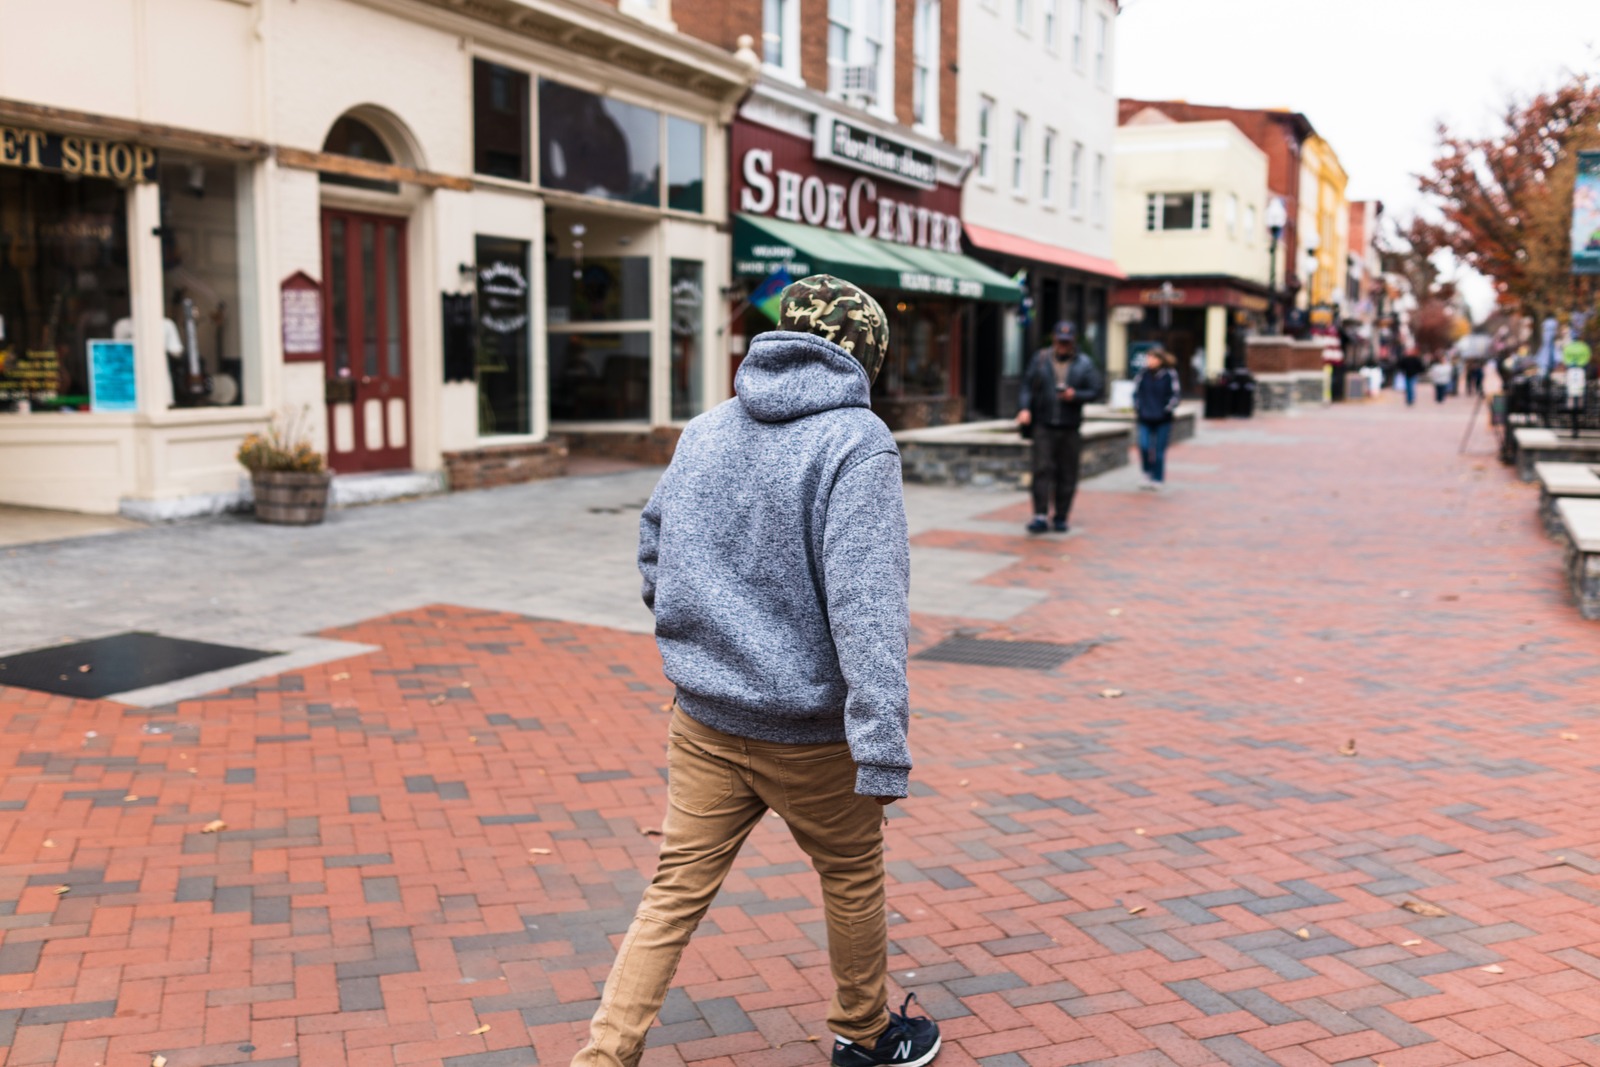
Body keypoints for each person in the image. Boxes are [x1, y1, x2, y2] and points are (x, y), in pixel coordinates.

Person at [571, 274, 939, 1067]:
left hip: (703, 717)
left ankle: (603, 1057)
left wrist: (694, 633)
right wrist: (880, 746)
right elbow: (868, 609)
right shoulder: (857, 442)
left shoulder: (705, 429)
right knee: (849, 876)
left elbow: (653, 547)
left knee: (671, 893)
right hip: (810, 735)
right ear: (863, 356)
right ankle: (867, 1033)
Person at [1015, 321, 1103, 533]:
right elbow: (1026, 385)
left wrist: (1075, 395)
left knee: (1067, 473)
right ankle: (1040, 515)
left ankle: (1061, 516)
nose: (1063, 345)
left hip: (1070, 426)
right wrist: (1024, 408)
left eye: (1067, 341)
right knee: (1041, 469)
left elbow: (1097, 390)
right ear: (1054, 339)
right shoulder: (1040, 359)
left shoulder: (1085, 363)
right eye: (1060, 341)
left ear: (1073, 341)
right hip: (1043, 424)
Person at [1131, 347, 1180, 490]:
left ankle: (1158, 478)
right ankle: (1147, 473)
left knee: (1159, 451)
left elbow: (1175, 395)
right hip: (1145, 417)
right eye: (1148, 358)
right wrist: (1138, 407)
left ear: (1159, 360)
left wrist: (1167, 410)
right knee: (1144, 447)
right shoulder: (1142, 374)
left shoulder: (1169, 374)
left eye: (1152, 358)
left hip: (1162, 419)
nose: (1149, 361)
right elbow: (1136, 393)